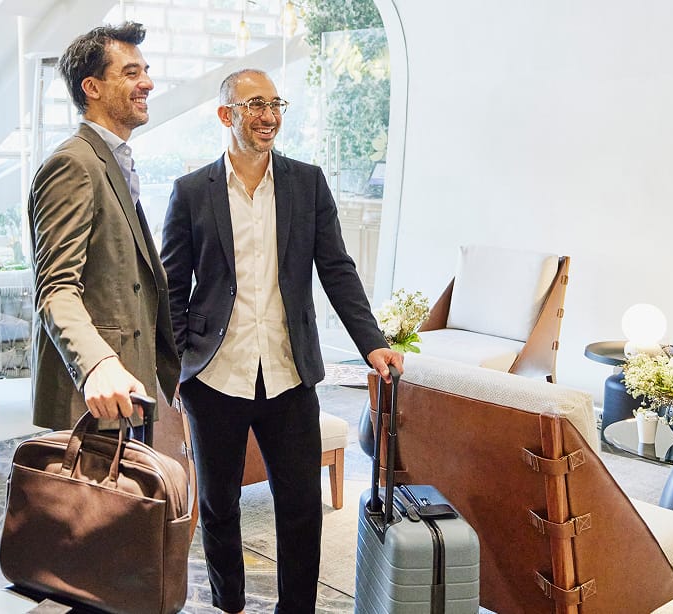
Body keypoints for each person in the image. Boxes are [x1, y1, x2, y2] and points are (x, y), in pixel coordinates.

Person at [161, 68, 403, 613]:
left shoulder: (306, 183)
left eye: (275, 104)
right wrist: (177, 368)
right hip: (214, 375)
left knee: (300, 508)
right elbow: (172, 288)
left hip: (290, 374)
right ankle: (230, 604)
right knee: (219, 505)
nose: (269, 115)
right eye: (254, 105)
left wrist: (372, 343)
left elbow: (336, 269)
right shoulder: (191, 193)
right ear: (227, 115)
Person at [27, 22, 178, 433]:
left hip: (130, 387)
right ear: (91, 88)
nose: (146, 82)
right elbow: (55, 288)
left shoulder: (111, 159)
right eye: (131, 72)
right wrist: (98, 364)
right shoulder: (73, 164)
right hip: (95, 396)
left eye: (145, 71)